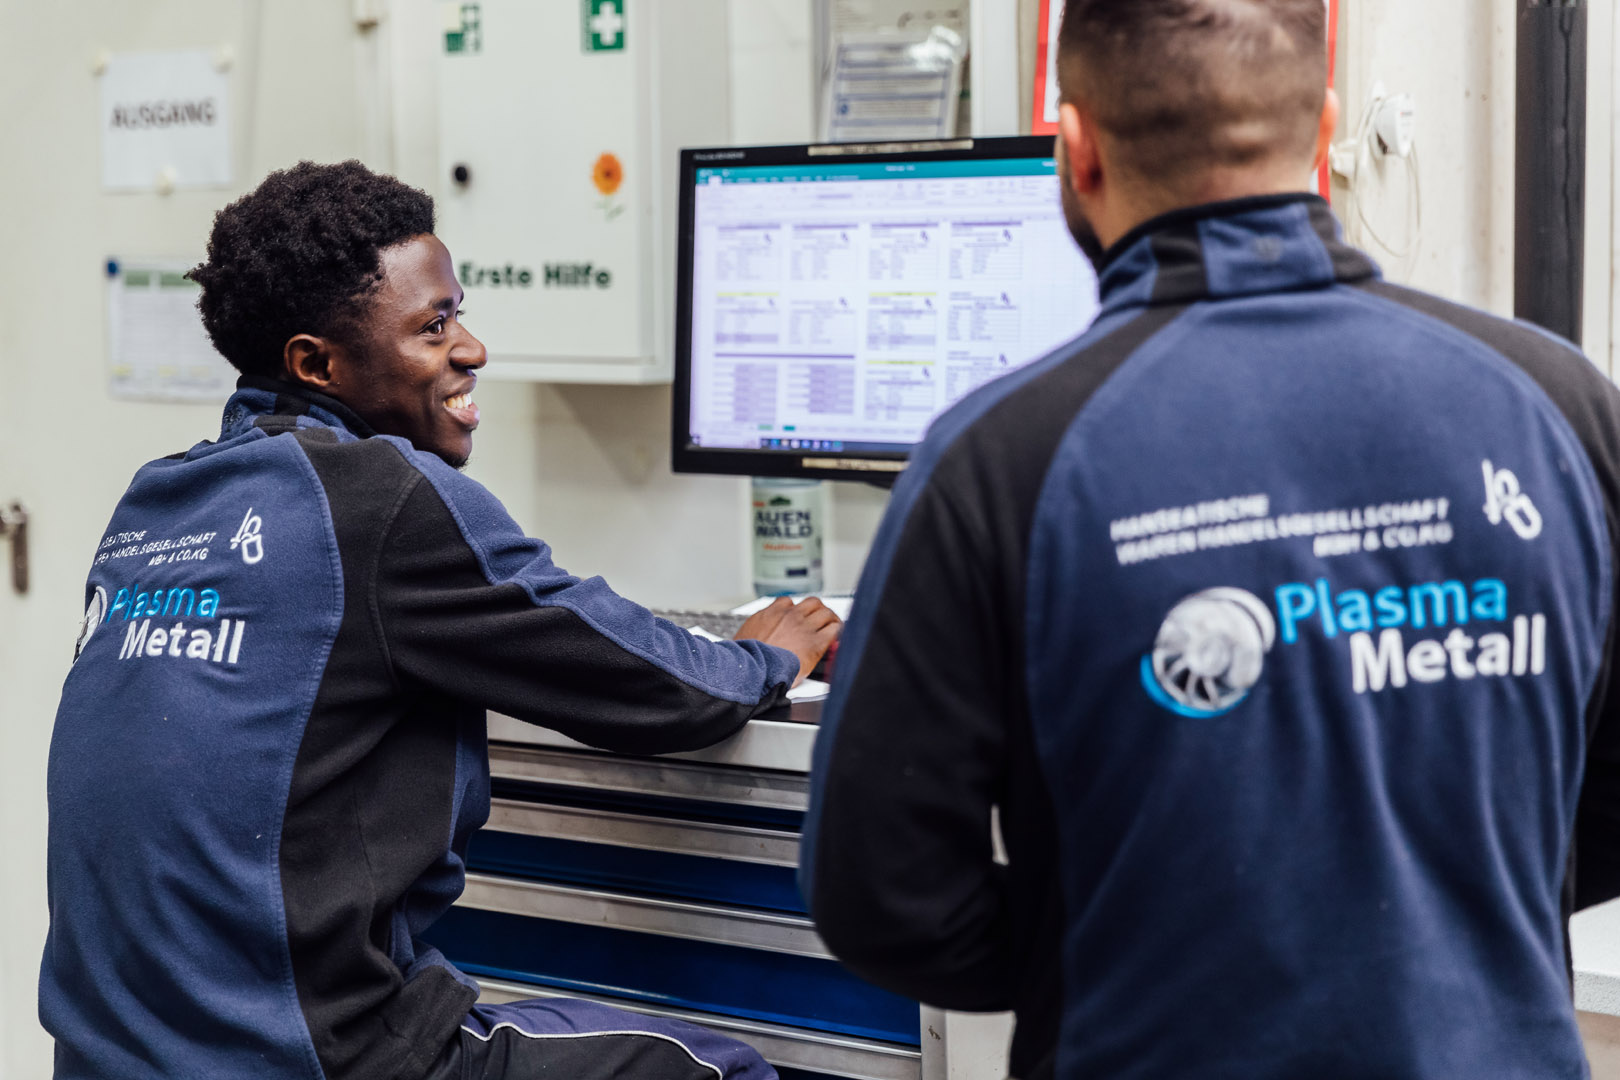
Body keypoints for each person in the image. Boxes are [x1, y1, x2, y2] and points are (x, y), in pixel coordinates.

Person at [800, 1, 1620, 1077]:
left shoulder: (999, 462)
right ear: (1323, 130)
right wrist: (1451, 927)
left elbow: (879, 892)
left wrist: (1110, 957)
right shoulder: (1558, 403)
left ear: (1077, 148)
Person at [41, 160, 839, 1080]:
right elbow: (657, 686)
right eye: (434, 326)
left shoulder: (155, 503)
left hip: (108, 1060)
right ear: (316, 363)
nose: (472, 349)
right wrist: (759, 659)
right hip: (314, 1061)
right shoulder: (381, 498)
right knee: (724, 1070)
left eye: (457, 313)